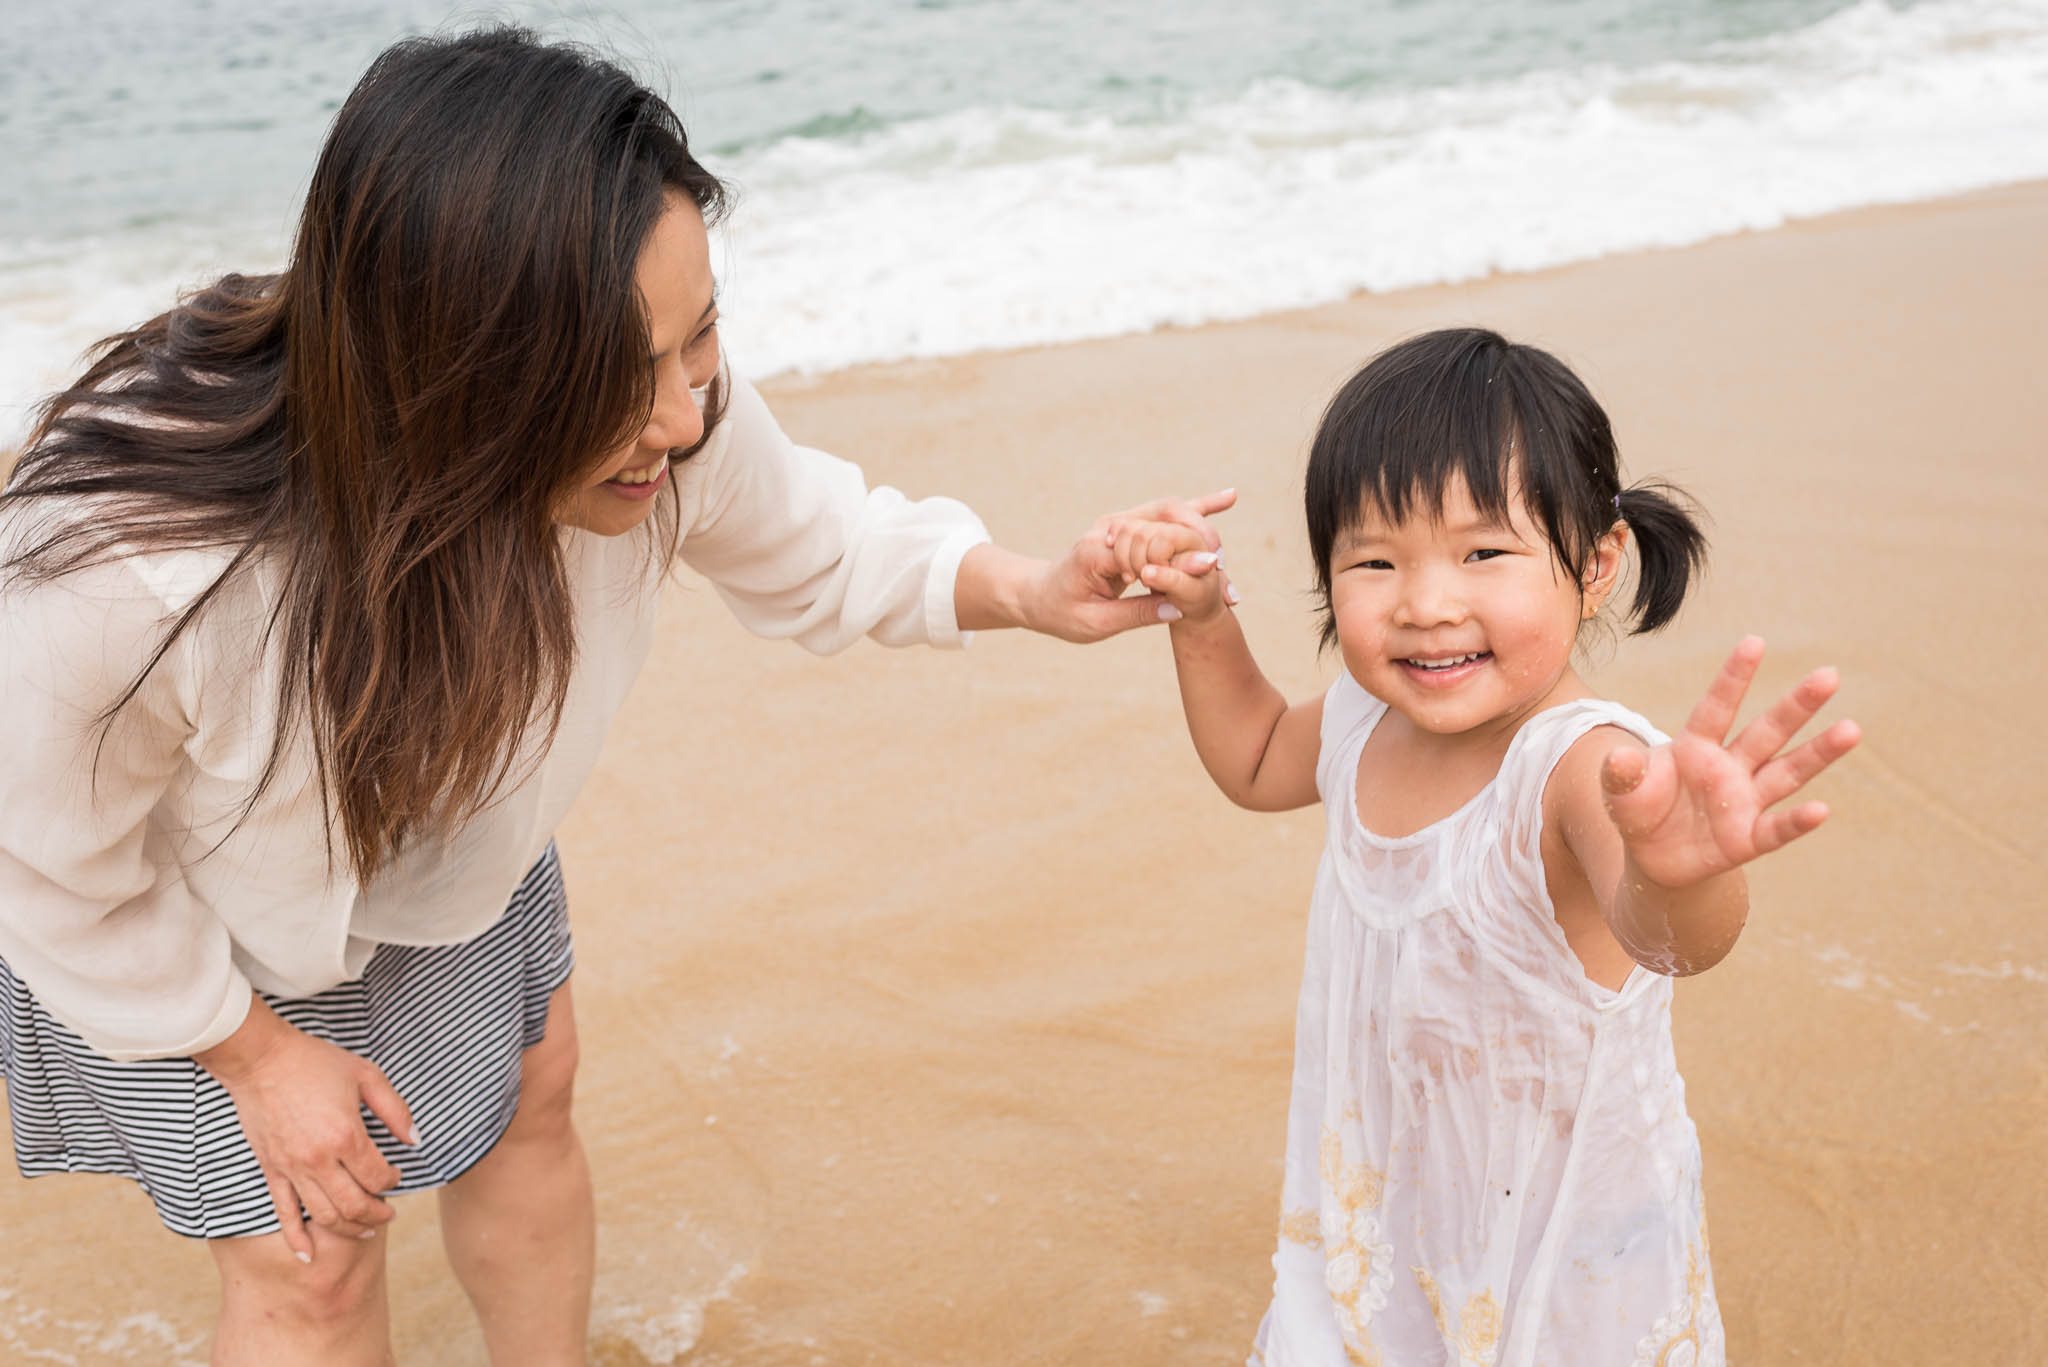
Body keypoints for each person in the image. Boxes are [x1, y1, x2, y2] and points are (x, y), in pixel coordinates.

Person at [0, 28, 1230, 1367]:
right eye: (618, 375)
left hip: (459, 843)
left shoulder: (659, 412)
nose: (684, 417)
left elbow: (815, 535)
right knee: (316, 1264)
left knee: (536, 1097)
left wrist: (1039, 586)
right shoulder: (138, 569)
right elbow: (48, 857)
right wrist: (249, 1052)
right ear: (454, 374)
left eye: (699, 338)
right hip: (207, 930)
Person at [1109, 328, 1860, 1364]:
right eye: (1373, 560)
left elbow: (1668, 937)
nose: (1423, 603)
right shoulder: (1360, 721)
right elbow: (1251, 758)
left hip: (1566, 1251)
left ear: (1593, 564)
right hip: (1390, 1205)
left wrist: (1680, 869)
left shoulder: (1581, 767)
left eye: (1481, 552)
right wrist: (1195, 619)